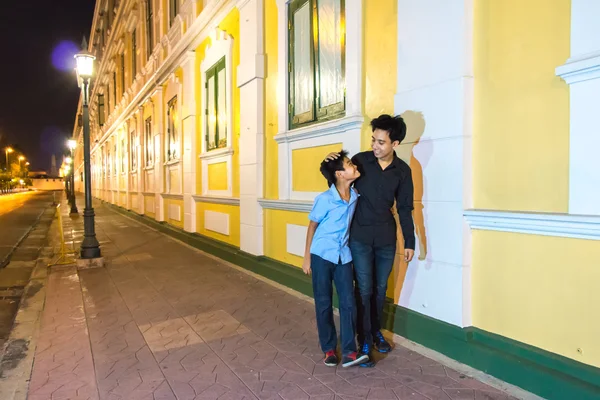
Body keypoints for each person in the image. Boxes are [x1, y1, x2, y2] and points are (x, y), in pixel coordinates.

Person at [325, 114, 415, 364]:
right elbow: (338, 183)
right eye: (373, 140)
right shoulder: (361, 161)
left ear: (395, 144)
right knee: (363, 289)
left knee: (380, 289)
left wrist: (409, 241)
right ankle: (363, 336)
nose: (375, 146)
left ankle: (376, 332)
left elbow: (405, 207)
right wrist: (330, 163)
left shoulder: (403, 171)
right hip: (360, 236)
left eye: (381, 142)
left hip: (386, 237)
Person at [302, 150, 370, 368]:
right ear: (340, 174)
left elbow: (366, 163)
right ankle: (329, 349)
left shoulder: (356, 195)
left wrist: (337, 157)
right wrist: (307, 258)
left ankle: (350, 351)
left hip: (344, 256)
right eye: (349, 164)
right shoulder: (324, 199)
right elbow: (312, 225)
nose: (355, 167)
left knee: (348, 303)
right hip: (321, 254)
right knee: (323, 302)